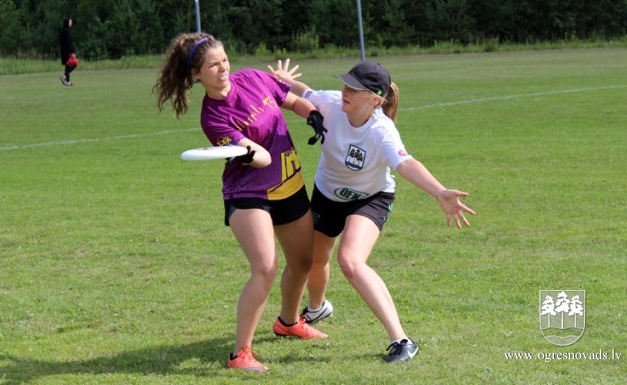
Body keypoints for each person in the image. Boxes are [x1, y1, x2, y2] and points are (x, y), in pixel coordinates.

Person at [268, 59, 476, 363]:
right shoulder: (331, 103)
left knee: (350, 261)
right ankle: (316, 308)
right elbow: (304, 92)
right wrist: (285, 80)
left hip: (370, 197)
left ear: (375, 100)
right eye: (346, 85)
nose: (345, 91)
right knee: (315, 260)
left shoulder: (381, 130)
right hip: (327, 194)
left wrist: (440, 192)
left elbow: (406, 164)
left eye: (355, 89)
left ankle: (402, 340)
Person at [153, 33, 329, 372]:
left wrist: (312, 115)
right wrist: (253, 152)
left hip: (289, 183)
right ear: (196, 74)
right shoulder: (213, 117)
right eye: (212, 65)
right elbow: (260, 158)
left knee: (303, 262)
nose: (222, 69)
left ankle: (288, 322)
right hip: (248, 193)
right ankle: (240, 354)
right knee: (264, 267)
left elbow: (292, 100)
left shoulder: (253, 78)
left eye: (224, 60)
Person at [59, 17, 76, 86]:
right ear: (67, 23)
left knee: (67, 66)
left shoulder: (61, 30)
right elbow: (69, 42)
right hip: (68, 52)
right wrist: (72, 52)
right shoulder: (68, 31)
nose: (71, 23)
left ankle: (68, 82)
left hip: (63, 51)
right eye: (70, 22)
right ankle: (64, 76)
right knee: (75, 64)